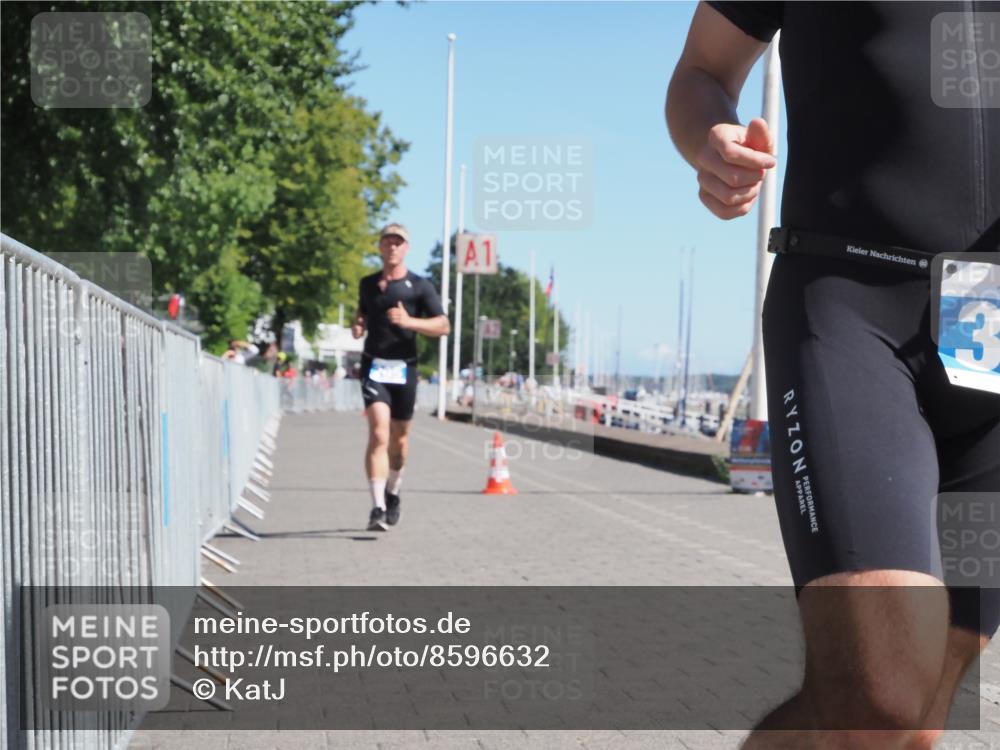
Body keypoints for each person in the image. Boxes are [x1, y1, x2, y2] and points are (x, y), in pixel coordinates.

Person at [667, 3, 998, 749]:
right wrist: (711, 141)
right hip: (852, 308)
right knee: (879, 696)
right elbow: (700, 71)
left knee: (914, 721)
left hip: (994, 347)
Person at [352, 223, 450, 531]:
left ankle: (393, 491)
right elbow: (363, 313)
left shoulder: (420, 286)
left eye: (398, 242)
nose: (392, 247)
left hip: (405, 367)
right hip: (374, 366)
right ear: (380, 247)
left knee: (400, 439)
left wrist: (410, 322)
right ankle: (377, 507)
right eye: (387, 242)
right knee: (379, 432)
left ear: (406, 248)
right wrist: (358, 325)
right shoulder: (368, 284)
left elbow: (443, 326)